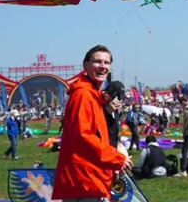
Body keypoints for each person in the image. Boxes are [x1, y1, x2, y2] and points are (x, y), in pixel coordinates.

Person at [52, 45, 132, 202]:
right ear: (85, 65)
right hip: (85, 181)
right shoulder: (83, 95)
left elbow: (100, 136)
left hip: (93, 178)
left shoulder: (94, 96)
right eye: (97, 62)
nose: (103, 66)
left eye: (106, 63)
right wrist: (116, 159)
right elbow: (83, 137)